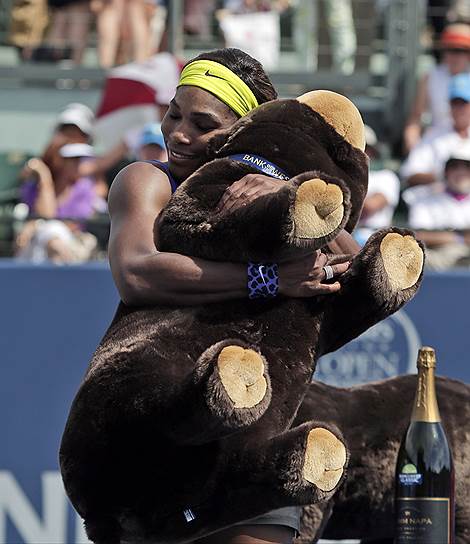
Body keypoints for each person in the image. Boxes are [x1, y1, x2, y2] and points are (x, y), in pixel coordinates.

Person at [107, 47, 358, 544]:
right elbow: (136, 274)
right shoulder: (146, 180)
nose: (178, 133)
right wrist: (268, 279)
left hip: (251, 440)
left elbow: (354, 265)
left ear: (245, 130)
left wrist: (279, 183)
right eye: (173, 113)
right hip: (160, 436)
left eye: (202, 124)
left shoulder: (276, 191)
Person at [15, 143, 106, 263]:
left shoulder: (84, 189)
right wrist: (45, 178)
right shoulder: (33, 188)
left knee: (53, 234)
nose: (78, 165)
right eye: (71, 160)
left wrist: (34, 224)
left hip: (71, 245)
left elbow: (69, 223)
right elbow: (45, 214)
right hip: (36, 247)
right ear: (57, 161)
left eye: (79, 160)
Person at [400, 71, 470, 204]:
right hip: (437, 207)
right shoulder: (434, 135)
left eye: (464, 103)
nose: (459, 109)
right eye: (455, 103)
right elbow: (410, 174)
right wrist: (444, 176)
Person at [403, 22, 470, 154]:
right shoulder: (431, 77)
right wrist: (413, 147)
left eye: (461, 50)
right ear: (443, 52)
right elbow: (415, 119)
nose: (455, 56)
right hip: (438, 141)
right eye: (451, 49)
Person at [408, 147, 470, 270]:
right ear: (446, 172)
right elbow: (417, 235)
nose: (460, 172)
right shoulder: (426, 200)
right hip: (437, 255)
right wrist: (459, 239)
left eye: (467, 167)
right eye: (454, 167)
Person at [354, 125, 400, 246]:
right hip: (342, 237)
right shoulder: (339, 175)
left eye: (364, 146)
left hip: (374, 240)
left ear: (371, 151)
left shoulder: (386, 177)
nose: (358, 151)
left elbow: (368, 208)